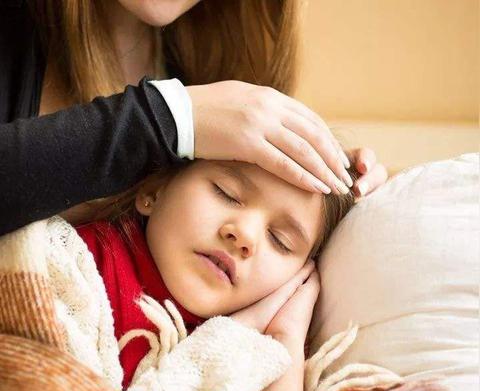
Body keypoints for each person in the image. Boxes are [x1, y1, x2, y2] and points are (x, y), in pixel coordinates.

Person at [51, 154, 360, 391]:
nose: (245, 235)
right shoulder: (67, 260)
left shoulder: (256, 359)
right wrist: (233, 337)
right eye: (227, 194)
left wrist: (286, 340)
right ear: (154, 189)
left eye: (280, 241)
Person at [0, 0, 387, 237]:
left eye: (279, 240)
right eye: (226, 194)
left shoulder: (212, 71)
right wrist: (167, 120)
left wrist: (329, 194)